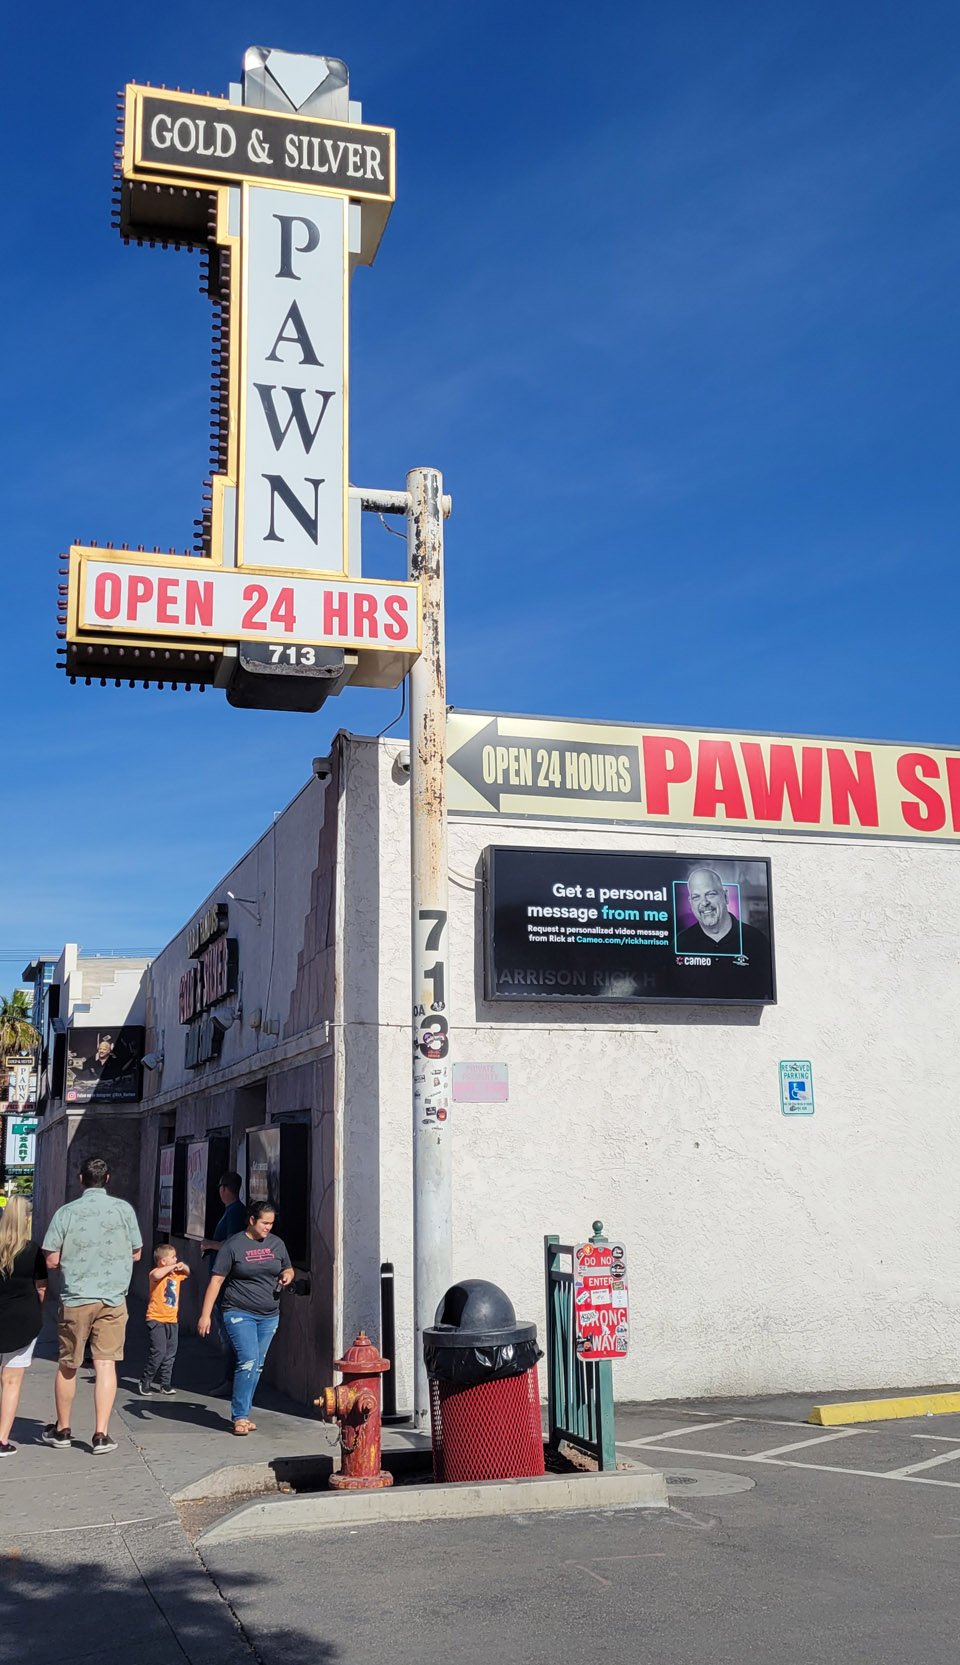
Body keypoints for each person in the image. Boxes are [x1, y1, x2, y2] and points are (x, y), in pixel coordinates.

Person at [41, 1155, 142, 1454]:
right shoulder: (124, 1210)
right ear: (108, 1179)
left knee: (68, 1364)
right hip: (112, 1298)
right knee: (106, 1364)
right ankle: (101, 1434)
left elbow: (51, 1259)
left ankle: (62, 1429)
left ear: (81, 1179)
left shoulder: (66, 1213)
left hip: (77, 1297)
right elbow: (136, 1252)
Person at [197, 1200, 294, 1436]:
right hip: (238, 1311)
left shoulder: (276, 1244)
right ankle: (240, 1416)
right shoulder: (233, 1245)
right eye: (264, 1223)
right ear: (252, 1220)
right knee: (248, 1360)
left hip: (269, 1315)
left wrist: (287, 1274)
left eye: (271, 1223)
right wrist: (205, 1315)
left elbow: (288, 1267)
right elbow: (216, 1281)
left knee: (257, 1366)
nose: (268, 1227)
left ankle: (245, 1412)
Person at [0, 1196, 48, 1456]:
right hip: (23, 1321)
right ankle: (2, 1439)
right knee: (11, 1382)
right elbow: (41, 1289)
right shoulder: (32, 1250)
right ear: (26, 1218)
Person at [200, 1172, 247, 1385]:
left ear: (224, 1189)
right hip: (222, 1276)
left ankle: (231, 1379)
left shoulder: (236, 1212)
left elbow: (232, 1244)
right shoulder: (231, 1211)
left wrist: (210, 1244)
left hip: (227, 1282)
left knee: (228, 1333)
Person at [675, 866, 769, 957]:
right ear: (691, 903)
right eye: (696, 897)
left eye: (711, 894)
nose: (704, 902)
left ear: (725, 896)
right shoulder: (680, 943)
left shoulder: (756, 940)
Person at [139, 1245, 189, 1397]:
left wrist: (181, 1266)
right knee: (159, 1351)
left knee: (170, 1353)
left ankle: (165, 1383)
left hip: (172, 1320)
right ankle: (146, 1380)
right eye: (173, 1257)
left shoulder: (176, 1274)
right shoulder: (155, 1273)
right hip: (156, 1319)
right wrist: (172, 1266)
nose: (176, 1259)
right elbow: (157, 1274)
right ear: (163, 1261)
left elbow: (187, 1271)